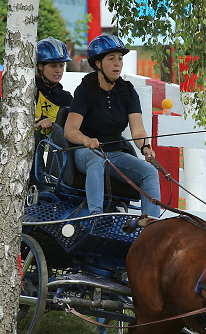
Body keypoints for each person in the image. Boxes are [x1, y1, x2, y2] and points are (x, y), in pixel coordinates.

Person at [64, 34, 161, 217]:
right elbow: (70, 130)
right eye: (111, 58)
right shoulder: (85, 89)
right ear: (98, 64)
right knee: (96, 159)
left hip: (116, 153)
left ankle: (150, 226)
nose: (118, 63)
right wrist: (86, 140)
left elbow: (138, 131)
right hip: (86, 153)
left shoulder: (127, 91)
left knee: (149, 172)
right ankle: (96, 217)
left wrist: (145, 147)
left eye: (120, 58)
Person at [34, 37, 73, 145]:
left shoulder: (66, 98)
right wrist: (38, 125)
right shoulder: (27, 91)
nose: (58, 71)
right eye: (53, 66)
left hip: (53, 156)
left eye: (61, 66)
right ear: (40, 66)